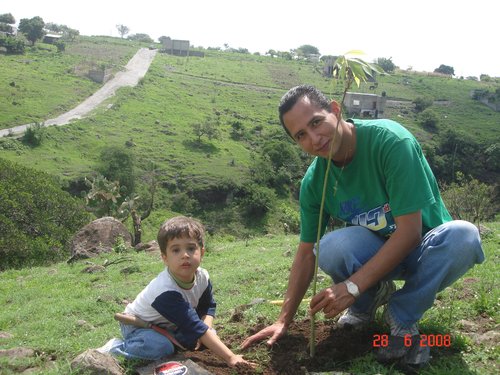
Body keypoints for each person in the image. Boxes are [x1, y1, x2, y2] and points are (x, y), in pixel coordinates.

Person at [241, 85, 484, 366]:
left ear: (335, 109)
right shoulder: (315, 183)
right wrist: (283, 319)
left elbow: (410, 233)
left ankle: (402, 312)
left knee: (464, 235)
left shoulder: (391, 142)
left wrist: (351, 286)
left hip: (424, 251)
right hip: (376, 256)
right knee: (330, 247)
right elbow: (306, 252)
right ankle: (365, 305)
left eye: (316, 122)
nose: (315, 139)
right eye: (301, 136)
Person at [99, 216, 255, 368]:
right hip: (137, 325)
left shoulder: (202, 277)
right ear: (165, 258)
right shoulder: (165, 291)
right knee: (162, 347)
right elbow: (193, 325)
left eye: (191, 248)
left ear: (202, 252)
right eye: (176, 250)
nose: (185, 255)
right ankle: (117, 347)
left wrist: (205, 329)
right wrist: (231, 357)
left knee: (206, 335)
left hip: (170, 323)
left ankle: (177, 337)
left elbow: (207, 306)